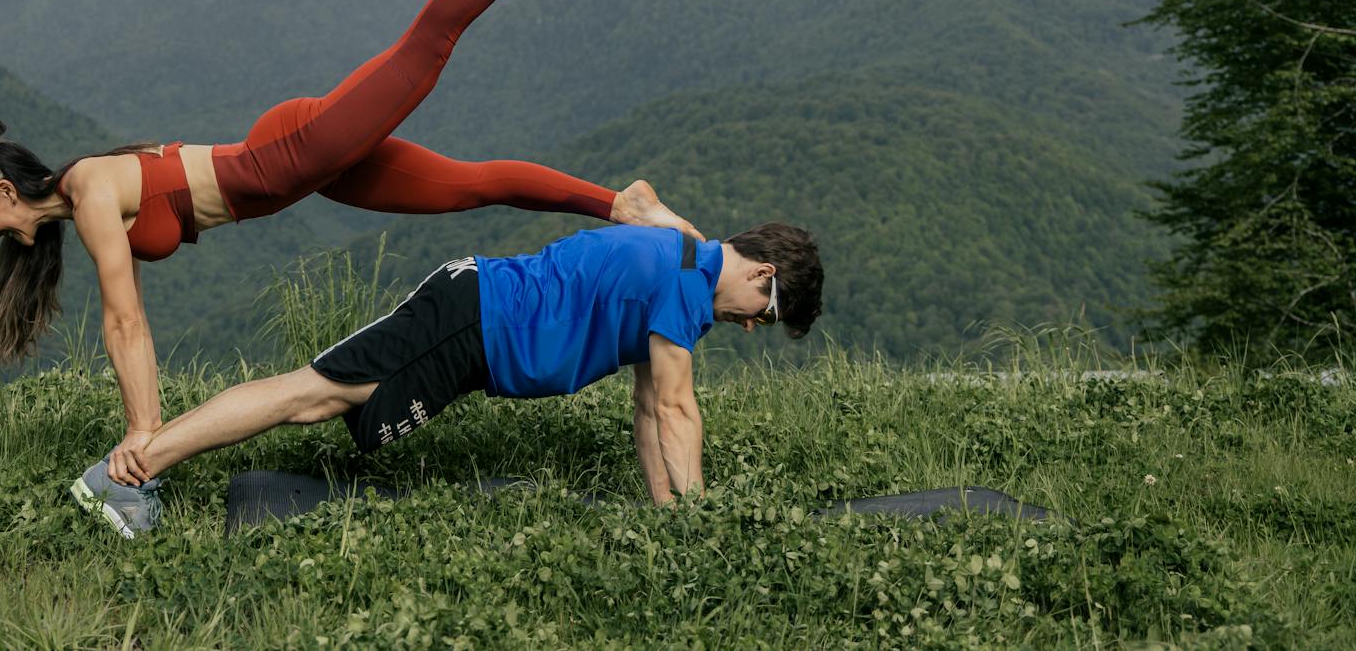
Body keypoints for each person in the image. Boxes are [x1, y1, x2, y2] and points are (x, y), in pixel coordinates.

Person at [0, 0, 705, 485]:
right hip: (301, 173)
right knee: (469, 187)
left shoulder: (89, 190)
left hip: (293, 152)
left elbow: (125, 322)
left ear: (4, 189)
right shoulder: (84, 194)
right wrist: (144, 419)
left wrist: (144, 430)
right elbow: (127, 321)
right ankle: (619, 203)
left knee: (425, 49)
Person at [83, 221, 824, 535]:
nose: (755, 320)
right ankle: (131, 472)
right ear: (761, 270)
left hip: (474, 324)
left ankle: (138, 469)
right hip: (470, 321)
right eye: (771, 304)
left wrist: (669, 518)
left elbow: (649, 411)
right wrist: (704, 531)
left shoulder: (683, 264)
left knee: (319, 399)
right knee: (311, 394)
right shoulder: (686, 284)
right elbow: (677, 408)